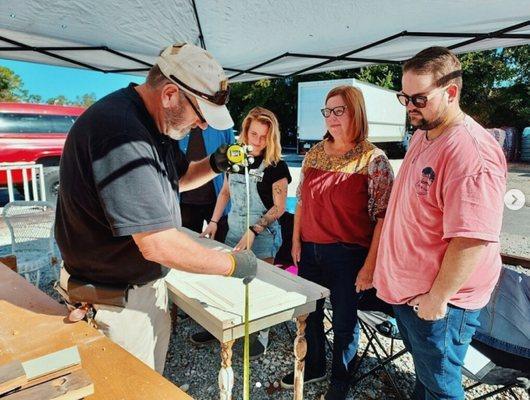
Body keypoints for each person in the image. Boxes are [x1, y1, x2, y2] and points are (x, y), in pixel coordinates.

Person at [54, 42, 257, 374]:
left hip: (124, 292)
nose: (204, 126)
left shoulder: (150, 125)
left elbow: (181, 177)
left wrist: (217, 163)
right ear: (170, 94)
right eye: (201, 115)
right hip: (115, 302)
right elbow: (157, 243)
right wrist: (232, 263)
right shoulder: (122, 134)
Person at [373, 46, 507, 399]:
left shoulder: (470, 152)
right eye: (404, 97)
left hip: (440, 303)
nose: (409, 107)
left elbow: (473, 238)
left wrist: (438, 297)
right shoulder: (424, 131)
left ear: (451, 92)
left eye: (419, 98)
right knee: (428, 383)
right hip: (411, 294)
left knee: (442, 390)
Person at [280, 85, 394, 400]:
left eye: (338, 110)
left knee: (344, 322)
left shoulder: (374, 159)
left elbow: (383, 218)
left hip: (348, 255)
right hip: (310, 251)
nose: (331, 118)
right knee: (310, 313)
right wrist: (295, 240)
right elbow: (301, 199)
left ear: (355, 112)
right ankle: (315, 364)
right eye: (327, 111)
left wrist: (369, 266)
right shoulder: (315, 152)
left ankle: (340, 382)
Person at [192, 107, 291, 358]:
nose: (257, 141)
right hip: (233, 233)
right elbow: (225, 193)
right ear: (245, 131)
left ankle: (261, 335)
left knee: (259, 287)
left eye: (263, 137)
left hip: (263, 237)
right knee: (229, 286)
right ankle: (224, 330)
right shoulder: (235, 159)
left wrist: (254, 230)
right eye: (253, 134)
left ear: (272, 138)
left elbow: (278, 208)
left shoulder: (277, 166)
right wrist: (213, 221)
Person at [178, 125, 235, 242]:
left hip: (218, 201)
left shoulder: (222, 126)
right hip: (185, 203)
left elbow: (233, 162)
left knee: (221, 247)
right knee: (188, 249)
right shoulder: (177, 126)